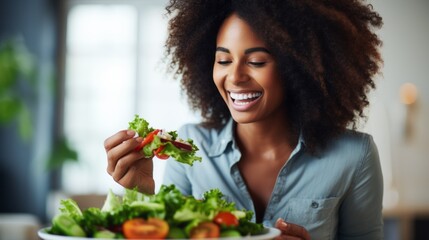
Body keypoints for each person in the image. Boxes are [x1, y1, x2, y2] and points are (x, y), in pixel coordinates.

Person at [104, 0, 384, 239]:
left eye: (257, 61)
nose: (235, 77)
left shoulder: (354, 156)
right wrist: (139, 194)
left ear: (299, 67)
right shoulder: (191, 147)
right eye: (223, 61)